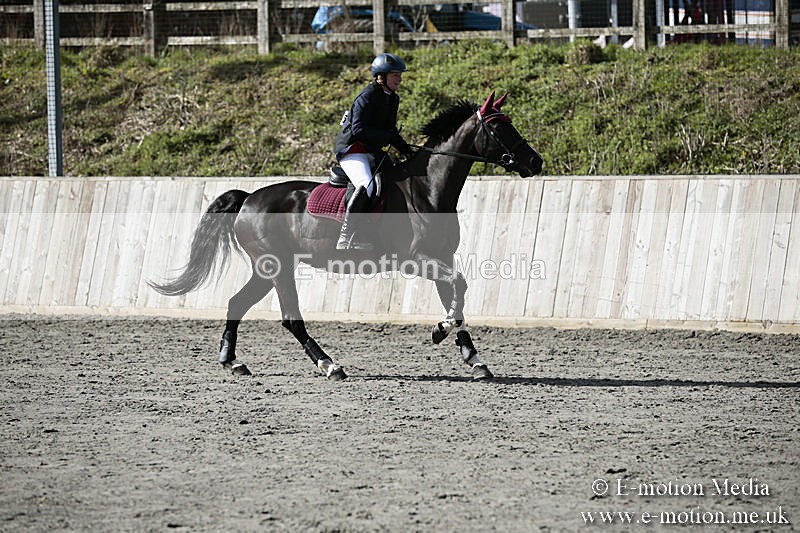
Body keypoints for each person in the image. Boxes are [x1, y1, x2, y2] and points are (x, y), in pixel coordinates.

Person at [333, 52, 414, 250]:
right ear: (381, 77)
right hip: (353, 149)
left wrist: (408, 152)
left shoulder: (392, 99)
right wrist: (386, 137)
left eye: (400, 75)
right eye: (395, 75)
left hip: (371, 151)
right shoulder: (366, 96)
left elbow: (391, 132)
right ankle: (346, 236)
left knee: (397, 177)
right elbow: (358, 129)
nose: (399, 79)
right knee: (366, 184)